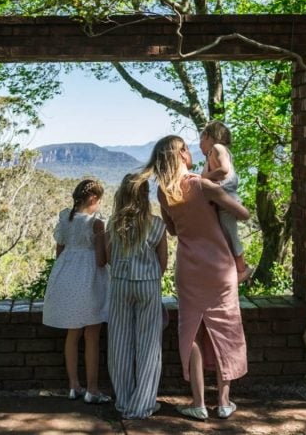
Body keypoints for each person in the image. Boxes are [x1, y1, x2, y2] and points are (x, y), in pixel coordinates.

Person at [141, 135, 251, 421]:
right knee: (225, 327)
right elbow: (243, 214)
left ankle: (198, 403)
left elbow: (174, 231)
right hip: (220, 268)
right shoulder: (202, 185)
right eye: (187, 150)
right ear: (181, 154)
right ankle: (225, 403)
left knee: (191, 332)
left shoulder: (164, 193)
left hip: (189, 269)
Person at [42, 179, 112, 404]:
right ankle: (92, 389)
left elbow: (59, 252)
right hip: (90, 279)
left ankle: (74, 385)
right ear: (93, 199)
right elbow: (101, 261)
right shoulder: (97, 224)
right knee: (92, 335)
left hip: (67, 277)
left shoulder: (66, 219)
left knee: (73, 334)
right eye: (99, 200)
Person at [105, 174, 168, 420]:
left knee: (119, 344)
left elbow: (109, 257)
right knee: (149, 345)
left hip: (120, 284)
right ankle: (143, 404)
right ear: (144, 195)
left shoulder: (114, 223)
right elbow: (162, 263)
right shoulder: (156, 224)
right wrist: (149, 276)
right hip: (148, 285)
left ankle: (124, 400)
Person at [199, 120, 254, 283]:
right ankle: (232, 267)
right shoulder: (213, 153)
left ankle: (242, 270)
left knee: (230, 234)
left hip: (226, 198)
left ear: (207, 136)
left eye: (200, 140)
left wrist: (202, 178)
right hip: (222, 199)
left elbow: (224, 170)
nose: (199, 145)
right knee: (224, 234)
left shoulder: (217, 148)